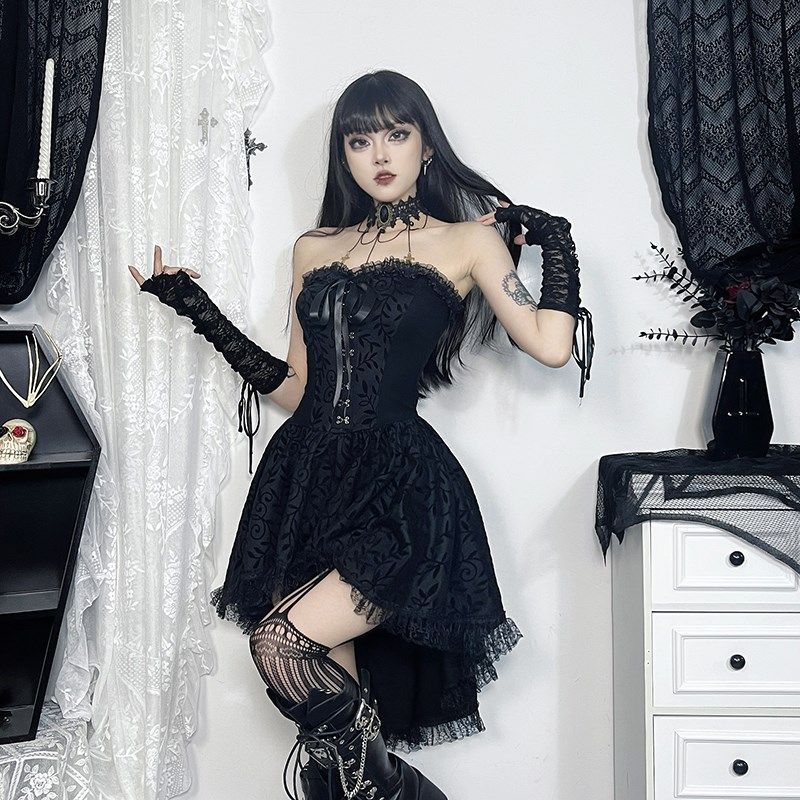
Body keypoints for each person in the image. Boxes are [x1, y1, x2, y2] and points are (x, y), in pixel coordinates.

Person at [128, 69, 594, 800]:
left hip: (400, 487)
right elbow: (296, 386)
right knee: (326, 724)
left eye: (396, 135)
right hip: (308, 480)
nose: (379, 154)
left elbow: (551, 345)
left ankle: (403, 789)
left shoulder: (467, 244)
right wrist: (200, 311)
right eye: (359, 140)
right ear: (343, 154)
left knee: (282, 644)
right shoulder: (313, 249)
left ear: (426, 148)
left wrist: (557, 243)